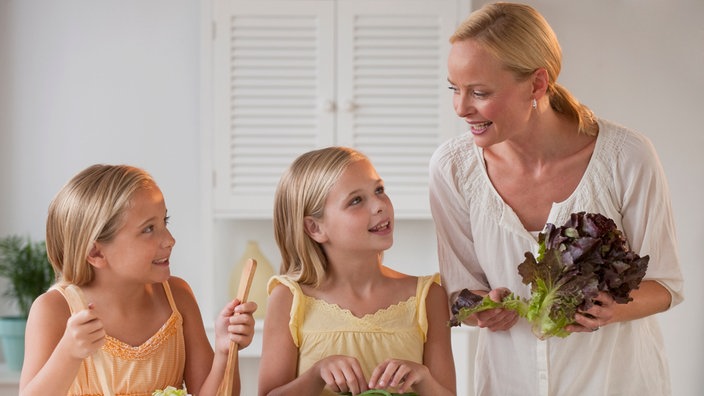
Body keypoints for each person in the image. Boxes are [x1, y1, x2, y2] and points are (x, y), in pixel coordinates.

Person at [429, 2, 684, 396]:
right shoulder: (452, 168)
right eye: (453, 89)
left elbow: (666, 284)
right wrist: (482, 307)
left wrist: (612, 309)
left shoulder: (626, 157)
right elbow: (459, 291)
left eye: (479, 92)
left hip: (616, 384)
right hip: (507, 384)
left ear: (536, 84)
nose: (461, 108)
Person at [19, 164, 257, 396]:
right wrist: (68, 354)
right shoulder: (54, 310)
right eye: (148, 229)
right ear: (96, 253)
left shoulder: (178, 298)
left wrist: (226, 351)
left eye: (165, 222)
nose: (170, 239)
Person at [258, 146, 456, 396]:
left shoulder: (428, 296)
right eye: (356, 200)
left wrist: (422, 378)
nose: (379, 205)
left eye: (379, 190)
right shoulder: (289, 298)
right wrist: (317, 374)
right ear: (315, 228)